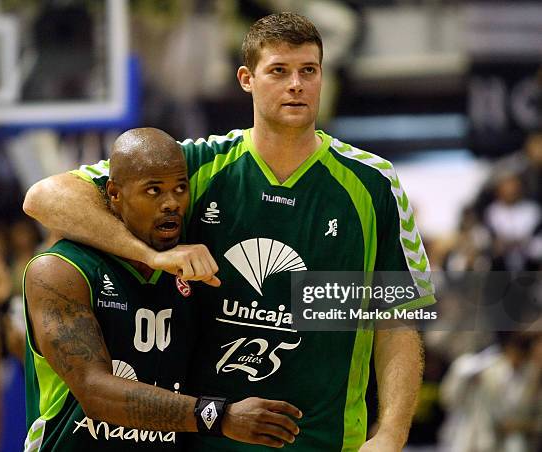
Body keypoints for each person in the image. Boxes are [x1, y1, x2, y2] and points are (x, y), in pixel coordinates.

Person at [24, 13, 436, 451]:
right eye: (279, 70)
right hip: (207, 438)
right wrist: (151, 255)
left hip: (324, 440)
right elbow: (45, 196)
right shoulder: (196, 165)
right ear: (246, 79)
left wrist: (392, 432)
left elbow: (396, 318)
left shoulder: (373, 183)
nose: (295, 84)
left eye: (308, 71)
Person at [23, 128, 302, 451]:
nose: (171, 203)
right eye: (153, 191)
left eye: (180, 188)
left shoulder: (192, 271)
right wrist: (219, 416)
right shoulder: (62, 269)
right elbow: (95, 392)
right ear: (114, 193)